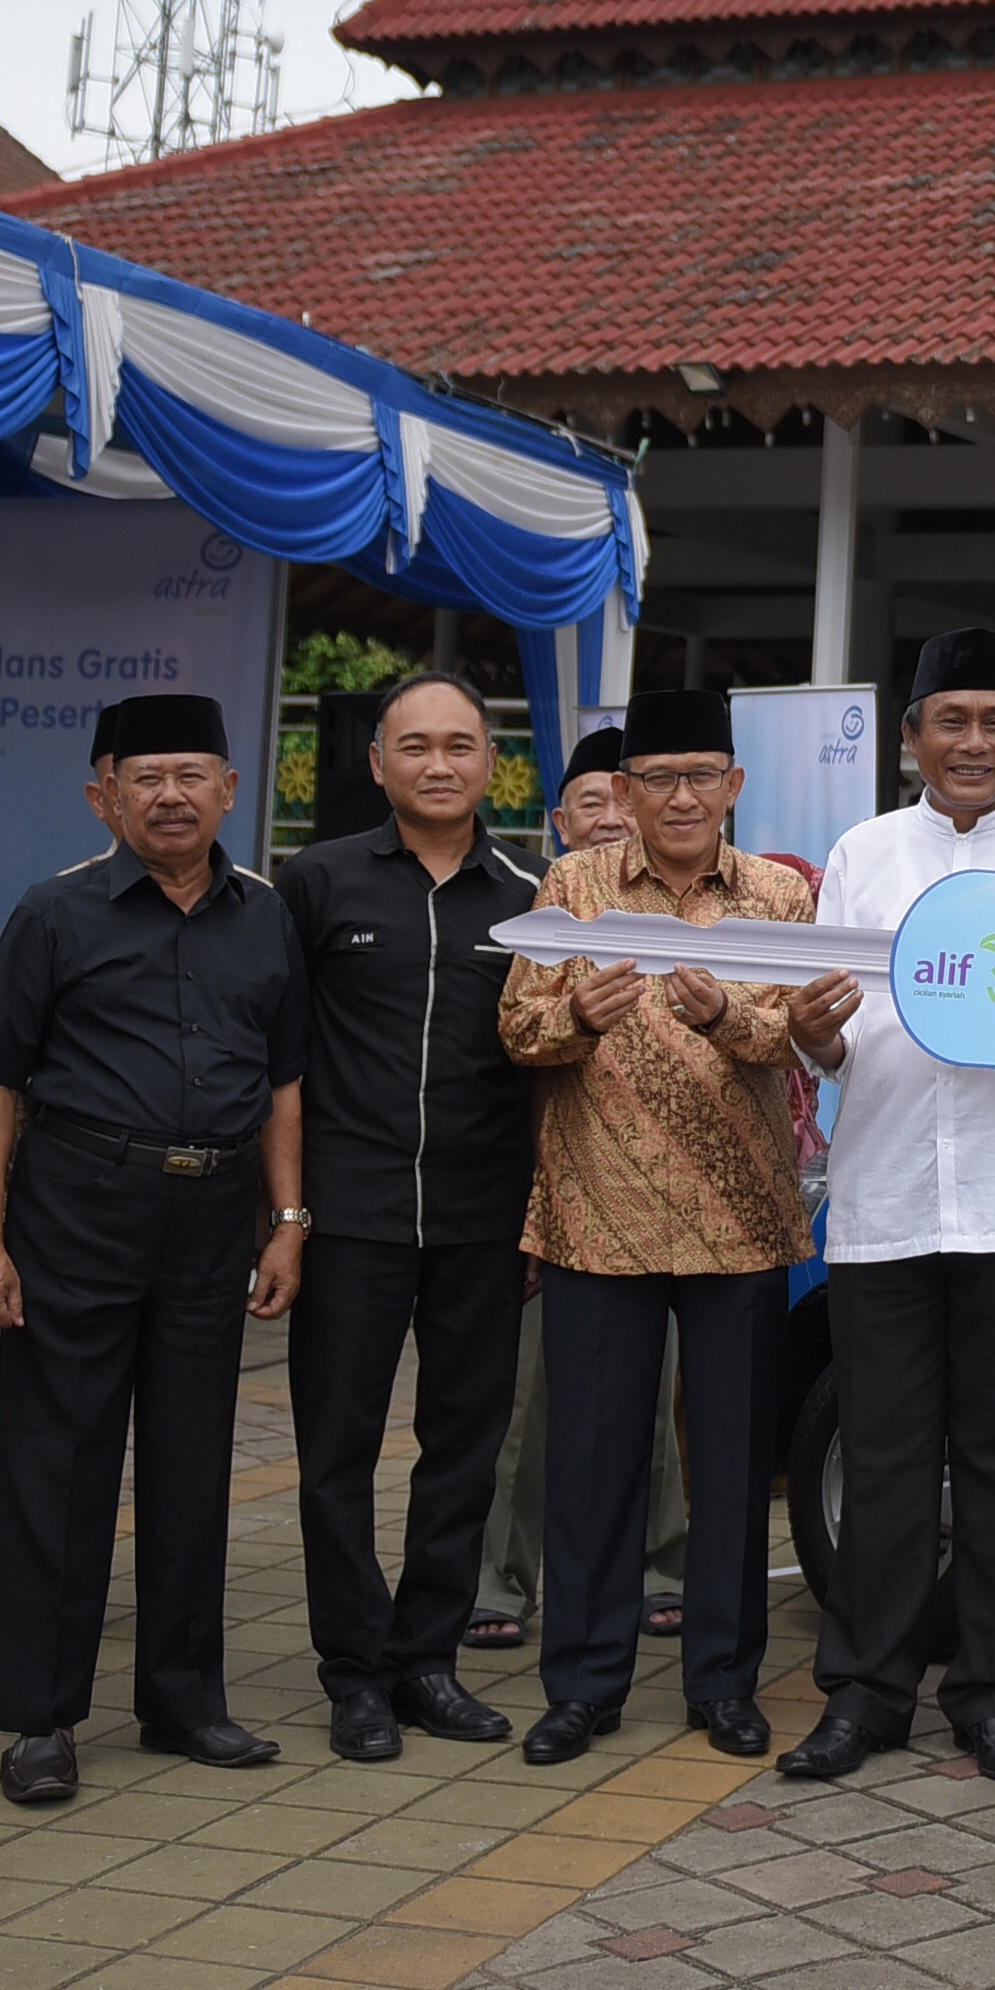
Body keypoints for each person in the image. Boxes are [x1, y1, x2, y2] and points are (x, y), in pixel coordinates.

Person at [779, 629, 995, 1788]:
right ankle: (866, 1694)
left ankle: (994, 1697)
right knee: (881, 1458)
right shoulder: (862, 851)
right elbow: (831, 1039)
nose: (971, 741)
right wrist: (813, 1029)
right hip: (884, 1199)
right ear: (911, 736)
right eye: (951, 719)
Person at [0, 693, 307, 1805]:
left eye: (193, 772)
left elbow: (285, 1081)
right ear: (103, 792)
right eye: (146, 775)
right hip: (79, 1209)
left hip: (212, 1219)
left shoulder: (264, 914)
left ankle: (185, 1699)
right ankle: (42, 1718)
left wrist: (288, 1221)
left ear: (231, 789)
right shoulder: (56, 913)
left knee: (195, 1462)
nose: (171, 793)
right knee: (60, 1463)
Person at [496, 685, 841, 1766]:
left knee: (735, 1463)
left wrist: (725, 1013)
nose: (680, 796)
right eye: (657, 778)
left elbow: (803, 1039)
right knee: (594, 1461)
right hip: (600, 1213)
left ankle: (724, 1680)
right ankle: (584, 1682)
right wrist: (572, 1016)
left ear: (734, 786)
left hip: (740, 1217)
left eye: (701, 776)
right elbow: (515, 1022)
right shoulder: (575, 884)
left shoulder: (782, 898)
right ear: (625, 792)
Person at [280, 672, 543, 1761]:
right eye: (416, 745)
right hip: (351, 1216)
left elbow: (547, 1071)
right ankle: (354, 1671)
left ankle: (427, 1660)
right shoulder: (314, 883)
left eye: (462, 745)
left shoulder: (530, 897)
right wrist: (288, 1212)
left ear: (493, 763)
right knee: (335, 1452)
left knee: (463, 1448)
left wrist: (536, 1209)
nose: (440, 764)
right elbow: (280, 1064)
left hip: (483, 1220)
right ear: (378, 761)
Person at [470, 729, 691, 1651]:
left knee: (656, 1395)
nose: (609, 818)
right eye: (588, 804)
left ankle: (659, 1566)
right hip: (546, 1190)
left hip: (664, 1198)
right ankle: (500, 1579)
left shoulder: (687, 909)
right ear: (558, 822)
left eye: (622, 797)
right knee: (527, 1399)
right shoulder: (532, 913)